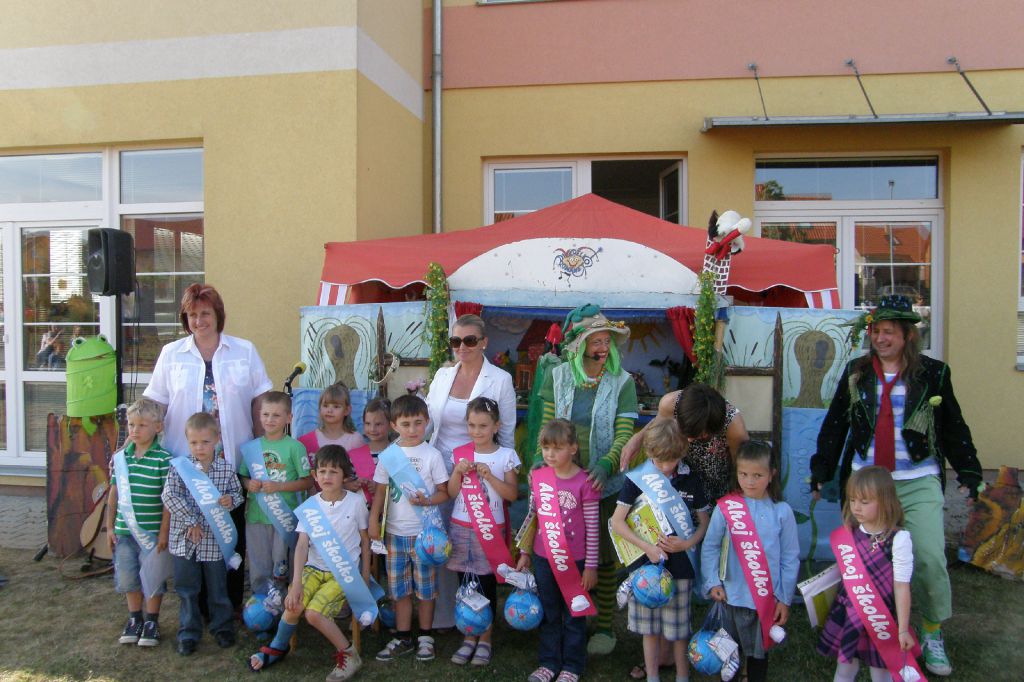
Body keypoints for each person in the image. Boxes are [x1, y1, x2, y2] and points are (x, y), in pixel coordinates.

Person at [811, 294, 982, 677]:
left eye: (889, 331)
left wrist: (970, 473)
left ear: (908, 335)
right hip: (867, 483)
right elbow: (836, 422)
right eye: (876, 331)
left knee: (930, 557)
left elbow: (953, 426)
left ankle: (932, 632)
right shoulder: (857, 372)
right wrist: (821, 469)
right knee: (863, 564)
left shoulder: (934, 373)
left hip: (916, 480)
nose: (881, 338)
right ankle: (860, 630)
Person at [144, 282, 272, 609]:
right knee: (193, 533)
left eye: (205, 313)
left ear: (218, 315)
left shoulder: (244, 351)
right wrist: (137, 439)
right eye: (192, 315)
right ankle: (197, 607)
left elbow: (260, 403)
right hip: (188, 466)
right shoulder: (171, 354)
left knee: (231, 533)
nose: (199, 321)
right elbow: (155, 405)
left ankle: (228, 604)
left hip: (232, 463)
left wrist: (262, 452)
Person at [535, 304, 638, 655]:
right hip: (560, 478)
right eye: (596, 340)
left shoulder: (623, 382)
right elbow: (547, 426)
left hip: (601, 482)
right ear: (579, 345)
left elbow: (624, 433)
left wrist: (607, 464)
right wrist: (541, 462)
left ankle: (605, 626)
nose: (603, 347)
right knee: (558, 547)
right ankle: (563, 617)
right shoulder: (558, 375)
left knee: (602, 556)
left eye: (607, 340)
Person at [425, 313, 517, 630]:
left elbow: (506, 433)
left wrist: (502, 475)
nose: (461, 347)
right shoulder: (442, 375)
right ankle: (445, 616)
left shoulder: (500, 380)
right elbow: (428, 422)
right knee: (442, 541)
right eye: (456, 341)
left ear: (483, 342)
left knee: (478, 550)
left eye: (469, 340)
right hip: (441, 471)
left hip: (480, 475)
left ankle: (478, 621)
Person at [249, 445, 370, 681]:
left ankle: (349, 654)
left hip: (343, 572)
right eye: (322, 471)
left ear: (345, 476)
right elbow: (302, 545)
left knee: (313, 614)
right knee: (293, 604)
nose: (327, 476)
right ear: (314, 475)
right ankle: (278, 648)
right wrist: (296, 583)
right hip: (313, 569)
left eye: (333, 472)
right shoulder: (310, 506)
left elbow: (365, 541)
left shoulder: (356, 503)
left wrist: (364, 577)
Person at [611, 420, 710, 682]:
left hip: (682, 566)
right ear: (649, 453)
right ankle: (652, 675)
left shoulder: (691, 479)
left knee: (679, 631)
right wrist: (647, 548)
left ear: (682, 452)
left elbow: (704, 523)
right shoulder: (637, 479)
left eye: (672, 460)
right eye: (660, 460)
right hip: (645, 569)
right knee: (649, 630)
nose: (666, 467)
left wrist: (687, 544)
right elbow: (617, 522)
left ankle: (682, 676)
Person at [701, 441, 799, 682]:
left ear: (771, 475)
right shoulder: (726, 508)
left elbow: (790, 558)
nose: (750, 481)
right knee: (727, 656)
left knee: (758, 657)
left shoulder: (782, 512)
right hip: (730, 595)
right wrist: (712, 581)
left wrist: (784, 597)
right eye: (743, 474)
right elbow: (711, 546)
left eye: (758, 475)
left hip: (765, 599)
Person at [368, 394, 450, 663]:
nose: (413, 429)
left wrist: (428, 500)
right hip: (394, 534)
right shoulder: (388, 456)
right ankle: (403, 636)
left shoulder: (432, 455)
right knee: (399, 589)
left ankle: (426, 636)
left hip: (425, 535)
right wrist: (373, 520)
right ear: (394, 425)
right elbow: (380, 492)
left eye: (418, 423)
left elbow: (444, 492)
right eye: (405, 424)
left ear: (427, 422)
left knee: (426, 589)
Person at [517, 419, 600, 682]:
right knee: (549, 612)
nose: (550, 454)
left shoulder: (585, 482)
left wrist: (591, 566)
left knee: (574, 614)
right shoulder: (539, 478)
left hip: (576, 561)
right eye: (546, 448)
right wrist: (525, 552)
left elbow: (593, 528)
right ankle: (549, 663)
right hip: (543, 558)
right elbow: (532, 518)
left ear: (573, 448)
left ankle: (572, 666)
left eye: (557, 448)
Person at [818, 466, 917, 682]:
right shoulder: (848, 534)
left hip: (881, 616)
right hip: (850, 612)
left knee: (880, 672)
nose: (856, 507)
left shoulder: (899, 539)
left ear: (885, 501)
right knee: (844, 668)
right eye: (853, 500)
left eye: (864, 502)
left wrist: (902, 629)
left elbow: (902, 586)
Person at [446, 397, 520, 667]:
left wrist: (489, 477)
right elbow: (451, 493)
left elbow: (512, 494)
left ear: (496, 426)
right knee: (464, 583)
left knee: (487, 583)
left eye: (483, 426)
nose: (476, 431)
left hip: (490, 529)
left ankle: (485, 637)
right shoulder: (460, 454)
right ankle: (469, 634)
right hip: (461, 526)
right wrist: (457, 472)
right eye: (472, 425)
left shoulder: (506, 456)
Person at [161, 412, 243, 656]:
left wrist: (231, 500)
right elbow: (169, 496)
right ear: (187, 442)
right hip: (185, 540)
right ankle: (188, 632)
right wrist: (191, 521)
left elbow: (237, 494)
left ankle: (222, 627)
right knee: (187, 589)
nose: (200, 447)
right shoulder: (179, 468)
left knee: (218, 587)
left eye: (205, 442)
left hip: (215, 541)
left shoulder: (226, 470)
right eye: (194, 442)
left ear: (217, 439)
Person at [105, 397, 172, 648]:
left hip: (152, 533)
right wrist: (109, 527)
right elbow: (113, 495)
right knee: (128, 576)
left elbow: (168, 501)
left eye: (142, 425)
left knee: (153, 577)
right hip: (124, 532)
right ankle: (134, 618)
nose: (135, 430)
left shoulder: (164, 459)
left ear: (158, 427)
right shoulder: (121, 458)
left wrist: (164, 532)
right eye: (132, 425)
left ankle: (152, 620)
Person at [621, 383, 749, 505]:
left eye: (700, 436)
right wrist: (638, 438)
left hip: (717, 486)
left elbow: (740, 467)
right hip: (679, 482)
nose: (690, 440)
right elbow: (659, 428)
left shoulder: (734, 426)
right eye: (685, 432)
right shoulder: (670, 404)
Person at [238, 391, 313, 597]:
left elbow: (307, 481)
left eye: (276, 415)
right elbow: (242, 476)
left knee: (281, 566)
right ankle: (260, 604)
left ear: (289, 418)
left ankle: (282, 602)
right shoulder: (251, 448)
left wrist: (279, 487)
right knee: (258, 564)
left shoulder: (295, 447)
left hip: (284, 517)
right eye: (266, 414)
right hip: (256, 516)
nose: (270, 419)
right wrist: (248, 484)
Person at [298, 383, 373, 496]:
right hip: (316, 502)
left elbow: (367, 476)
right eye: (325, 405)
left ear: (347, 410)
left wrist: (352, 485)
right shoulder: (306, 441)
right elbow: (306, 480)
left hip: (348, 500)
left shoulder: (356, 439)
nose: (330, 410)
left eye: (336, 406)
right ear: (319, 408)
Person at [362, 397, 393, 463]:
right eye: (368, 423)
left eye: (378, 424)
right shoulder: (358, 455)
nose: (372, 429)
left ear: (391, 424)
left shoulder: (399, 453)